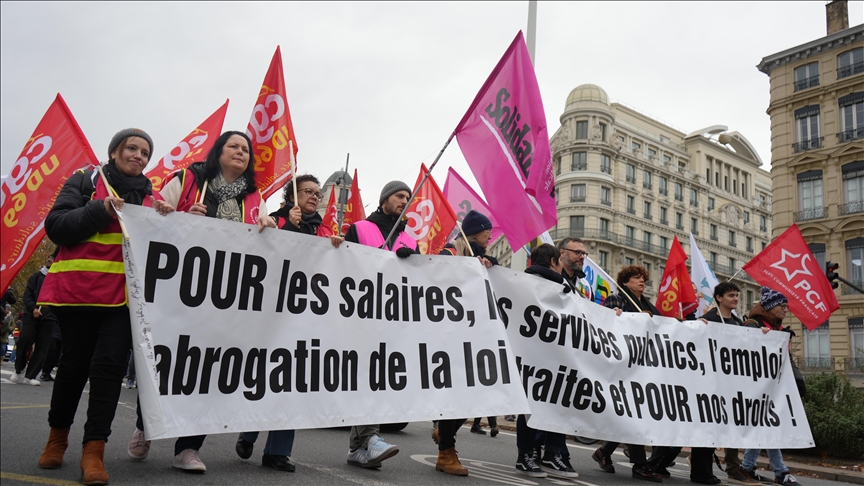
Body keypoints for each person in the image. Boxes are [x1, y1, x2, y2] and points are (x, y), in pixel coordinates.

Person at [128, 131, 276, 474]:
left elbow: (266, 241)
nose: (240, 152)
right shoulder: (187, 179)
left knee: (209, 369)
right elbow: (150, 215)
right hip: (179, 289)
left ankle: (189, 447)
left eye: (245, 149)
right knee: (166, 360)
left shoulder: (256, 197)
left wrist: (269, 225)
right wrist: (180, 215)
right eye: (233, 146)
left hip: (226, 299)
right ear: (218, 152)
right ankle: (145, 425)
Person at [36, 128, 172, 485]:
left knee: (109, 370)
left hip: (123, 300)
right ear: (114, 152)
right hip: (78, 293)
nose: (138, 156)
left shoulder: (152, 197)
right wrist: (99, 209)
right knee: (73, 367)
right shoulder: (85, 180)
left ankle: (93, 450)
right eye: (131, 148)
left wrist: (168, 221)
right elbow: (57, 226)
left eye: (145, 152)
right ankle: (57, 439)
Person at [233, 175, 326, 474]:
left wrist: (338, 245)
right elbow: (263, 251)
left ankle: (278, 451)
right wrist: (288, 226)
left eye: (318, 193)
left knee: (292, 382)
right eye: (308, 191)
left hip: (305, 314)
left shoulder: (325, 230)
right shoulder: (275, 220)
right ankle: (249, 432)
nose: (314, 197)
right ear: (291, 196)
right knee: (267, 376)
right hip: (271, 315)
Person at [338, 180, 417, 469]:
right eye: (399, 196)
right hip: (361, 314)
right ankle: (370, 439)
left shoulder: (411, 241)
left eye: (408, 197)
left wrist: (413, 261)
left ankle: (357, 448)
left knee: (376, 378)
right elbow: (342, 266)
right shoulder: (360, 228)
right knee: (368, 375)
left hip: (392, 318)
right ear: (384, 200)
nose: (404, 201)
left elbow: (417, 281)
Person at [432, 210, 499, 476]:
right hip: (449, 335)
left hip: (474, 336)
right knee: (456, 394)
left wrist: (488, 264)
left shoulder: (483, 259)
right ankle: (446, 453)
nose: (490, 235)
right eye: (486, 231)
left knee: (475, 395)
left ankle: (445, 433)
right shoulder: (450, 253)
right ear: (473, 233)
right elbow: (432, 277)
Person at [592, 265, 664, 482]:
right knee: (634, 414)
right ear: (625, 282)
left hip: (642, 368)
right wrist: (632, 318)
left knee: (632, 414)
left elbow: (664, 328)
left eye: (643, 278)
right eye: (636, 277)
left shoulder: (649, 306)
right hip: (622, 367)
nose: (642, 281)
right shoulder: (616, 300)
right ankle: (640, 465)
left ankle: (604, 452)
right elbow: (607, 324)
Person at [512, 244, 578, 479]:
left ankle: (545, 454)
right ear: (553, 262)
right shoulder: (544, 284)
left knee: (553, 404)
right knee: (533, 406)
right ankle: (527, 455)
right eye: (559, 260)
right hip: (537, 357)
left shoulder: (559, 286)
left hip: (550, 356)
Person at [695, 283, 761, 485]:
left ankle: (728, 467)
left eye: (737, 295)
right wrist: (696, 326)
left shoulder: (738, 323)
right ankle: (700, 471)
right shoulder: (707, 320)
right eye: (731, 295)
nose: (735, 298)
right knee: (708, 427)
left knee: (728, 426)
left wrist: (763, 336)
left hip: (731, 385)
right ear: (719, 298)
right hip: (709, 384)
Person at [740, 287, 803, 486]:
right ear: (769, 307)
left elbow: (785, 359)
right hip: (757, 386)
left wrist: (797, 380)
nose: (785, 309)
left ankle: (748, 466)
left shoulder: (778, 328)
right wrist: (759, 336)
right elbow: (742, 350)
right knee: (769, 425)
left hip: (775, 385)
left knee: (765, 425)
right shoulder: (753, 324)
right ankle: (780, 471)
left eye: (786, 306)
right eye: (781, 306)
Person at [12, 251, 60, 386]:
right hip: (31, 314)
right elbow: (27, 294)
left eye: (53, 258)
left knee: (42, 347)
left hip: (50, 317)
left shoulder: (60, 279)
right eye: (49, 257)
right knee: (24, 340)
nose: (50, 260)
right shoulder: (36, 276)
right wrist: (33, 308)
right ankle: (18, 369)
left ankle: (31, 375)